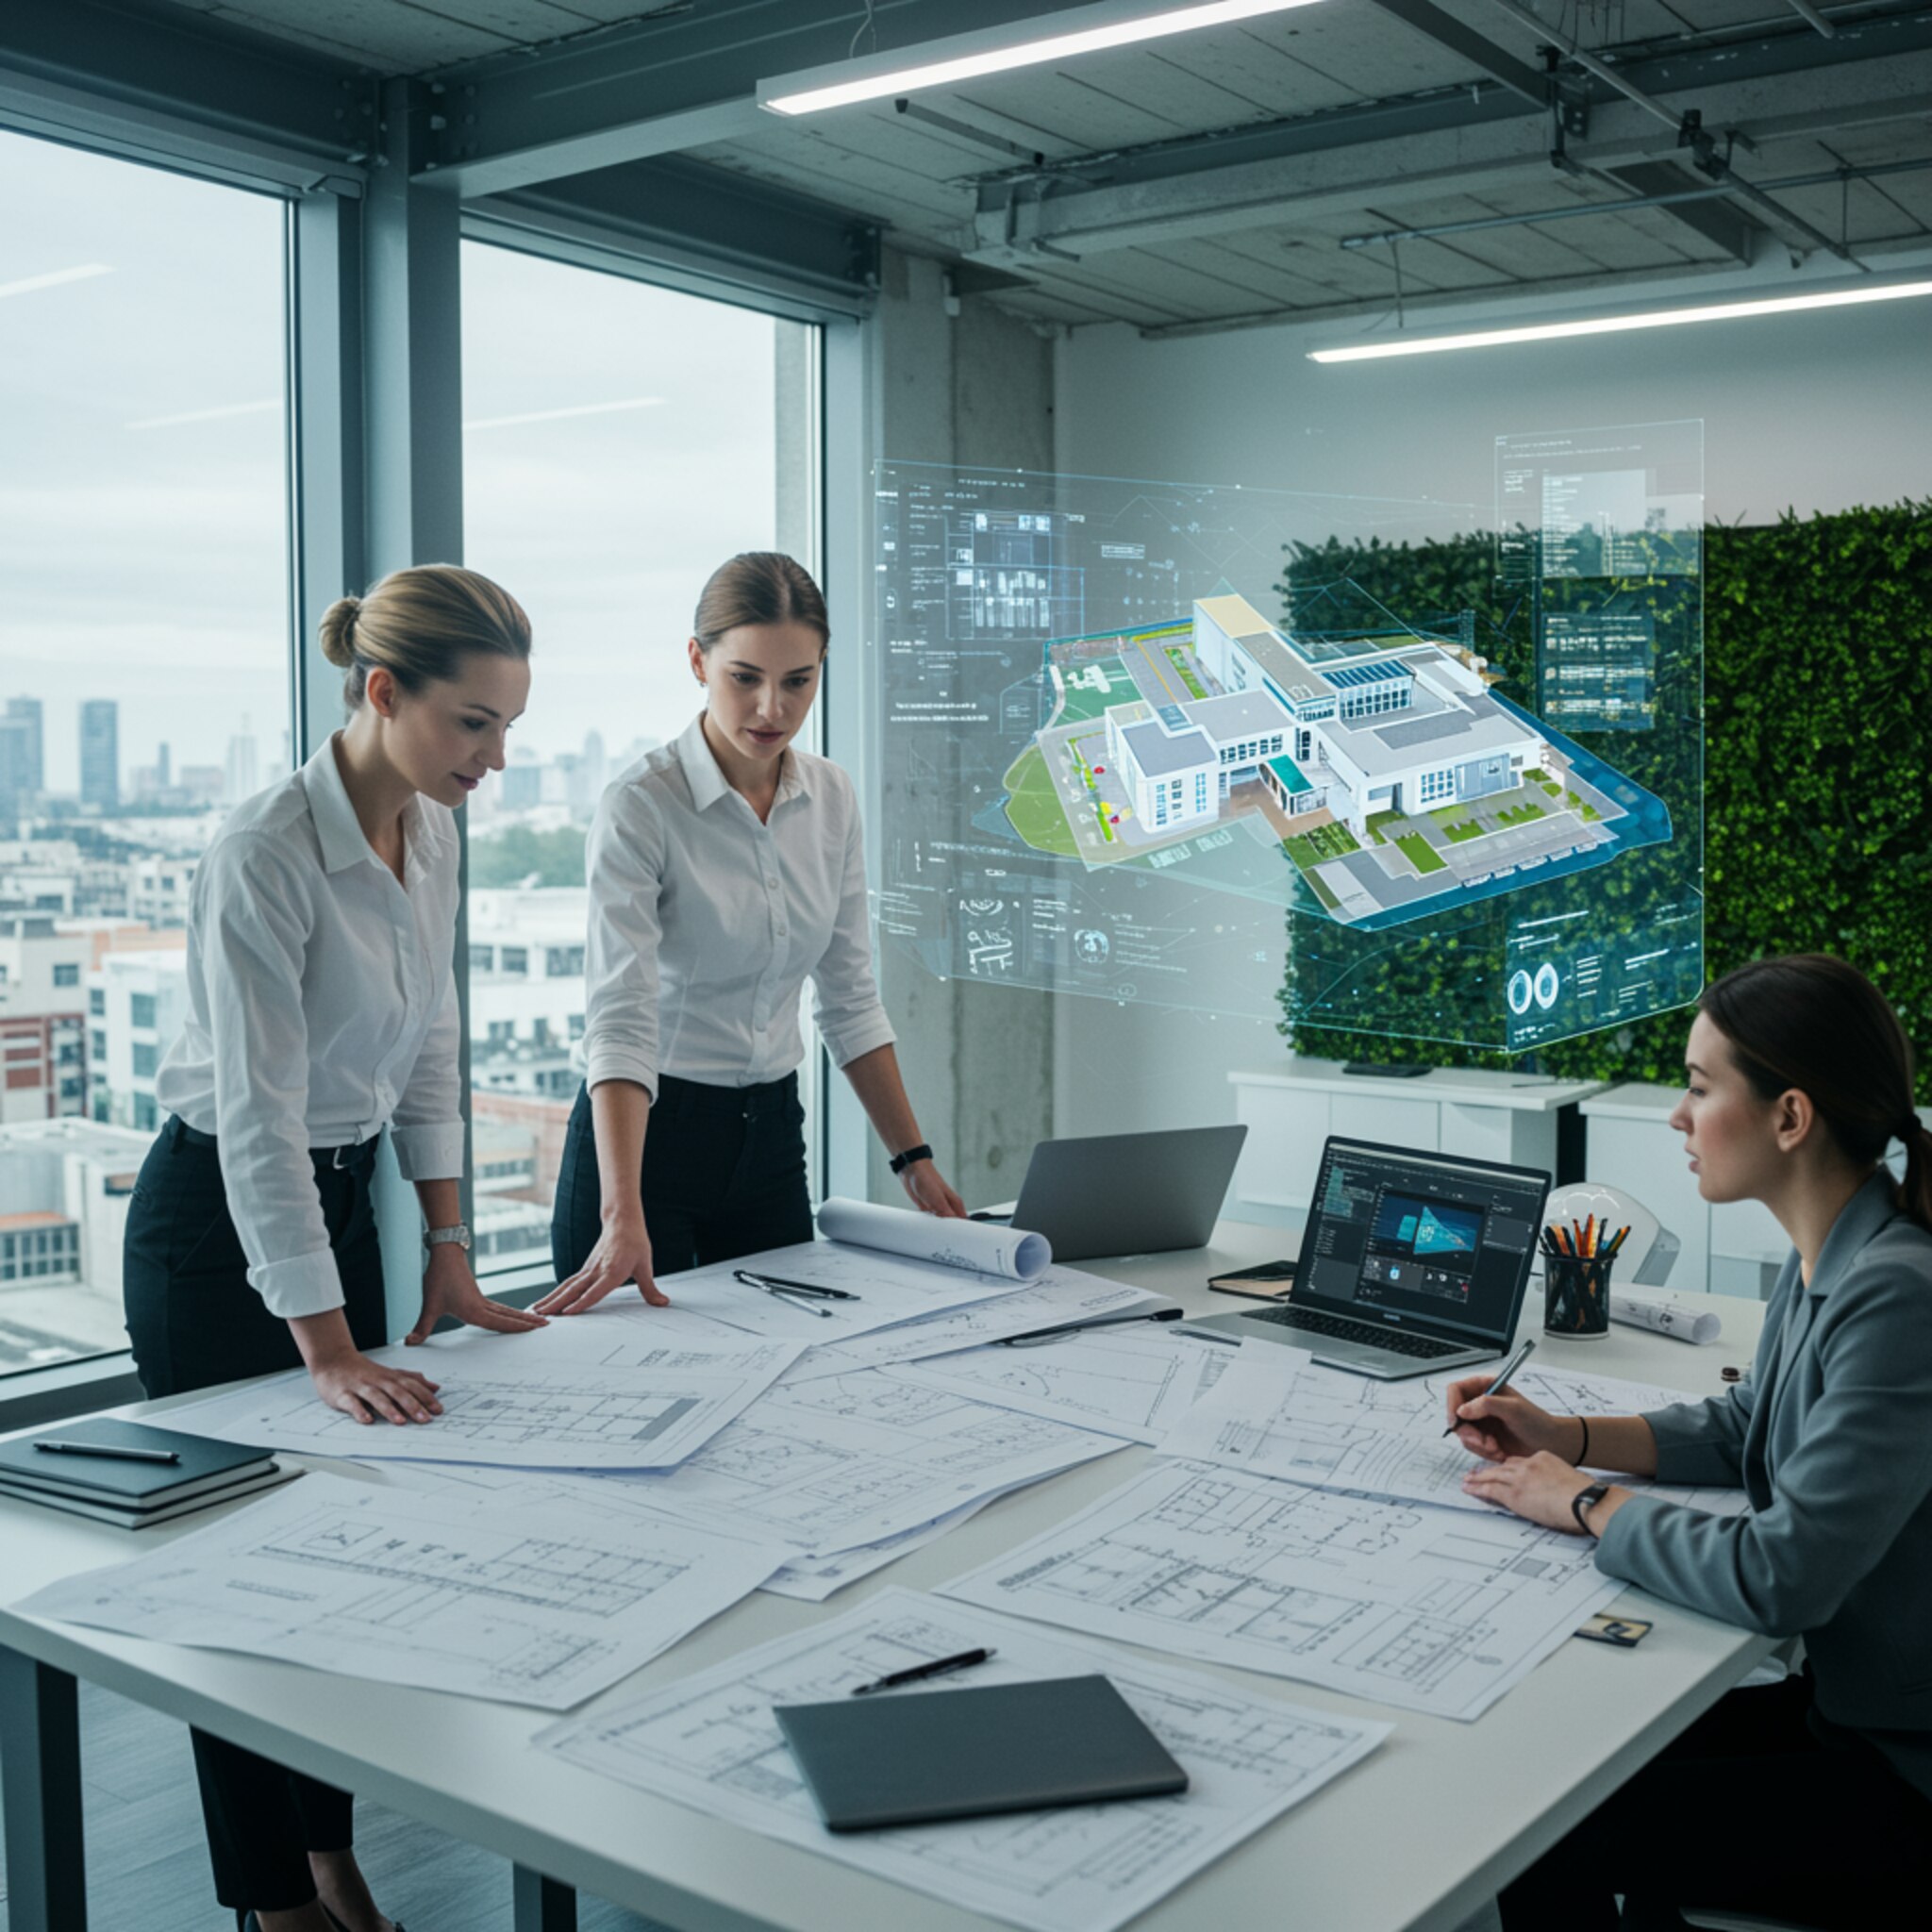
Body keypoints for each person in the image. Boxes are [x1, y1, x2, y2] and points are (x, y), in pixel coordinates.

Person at [124, 564, 546, 1932]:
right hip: (216, 1232)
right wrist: (325, 1347)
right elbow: (258, 1118)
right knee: (241, 1584)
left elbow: (430, 1052)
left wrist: (447, 1248)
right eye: (474, 723)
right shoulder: (264, 850)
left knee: (338, 1561)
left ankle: (330, 1857)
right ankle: (275, 1900)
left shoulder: (433, 832)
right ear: (381, 692)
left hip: (341, 1204)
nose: (495, 757)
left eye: (508, 726)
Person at [1445, 954, 1932, 1929]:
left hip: (1903, 1779)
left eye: (1700, 1087)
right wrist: (1564, 1434)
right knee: (1554, 1759)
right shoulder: (1834, 1250)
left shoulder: (1895, 1292)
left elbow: (1781, 1575)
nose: (1677, 1115)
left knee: (1535, 1821)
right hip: (1846, 1717)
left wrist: (1585, 1501)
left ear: (1789, 1118)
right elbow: (1746, 1425)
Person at [542, 551, 964, 1315]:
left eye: (798, 680)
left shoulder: (832, 797)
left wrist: (914, 1160)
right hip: (645, 1142)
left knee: (788, 1359)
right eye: (745, 678)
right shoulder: (641, 804)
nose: (772, 708)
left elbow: (849, 998)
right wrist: (621, 1209)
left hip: (769, 1139)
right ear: (697, 661)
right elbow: (620, 1020)